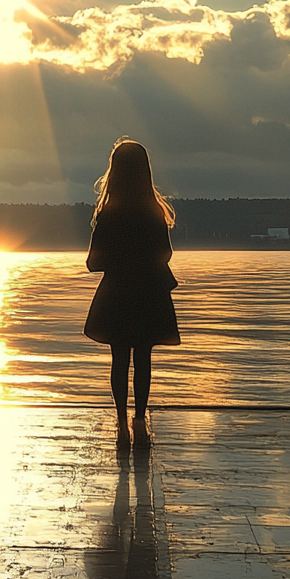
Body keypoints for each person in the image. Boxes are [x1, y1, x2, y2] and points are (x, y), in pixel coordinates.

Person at [84, 138, 180, 450]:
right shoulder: (154, 211)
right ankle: (140, 421)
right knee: (143, 357)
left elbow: (92, 263)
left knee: (119, 358)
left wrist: (118, 261)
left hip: (117, 295)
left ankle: (122, 424)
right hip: (150, 295)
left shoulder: (109, 213)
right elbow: (165, 253)